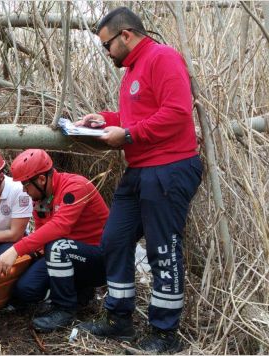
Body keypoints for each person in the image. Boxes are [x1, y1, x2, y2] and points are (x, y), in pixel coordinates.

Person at [75, 7, 203, 354]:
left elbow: (177, 112)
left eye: (107, 46)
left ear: (126, 35)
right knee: (115, 239)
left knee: (163, 249)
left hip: (170, 168)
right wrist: (103, 120)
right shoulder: (132, 69)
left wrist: (128, 135)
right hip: (140, 170)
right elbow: (137, 115)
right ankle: (119, 320)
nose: (107, 53)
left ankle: (165, 333)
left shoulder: (162, 58)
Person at [0, 149, 109, 332]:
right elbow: (41, 230)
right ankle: (78, 291)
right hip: (65, 255)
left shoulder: (75, 187)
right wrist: (30, 252)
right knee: (26, 290)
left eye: (26, 185)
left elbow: (59, 226)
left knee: (57, 247)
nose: (24, 190)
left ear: (41, 179)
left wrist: (15, 249)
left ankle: (64, 308)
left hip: (98, 259)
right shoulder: (40, 196)